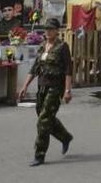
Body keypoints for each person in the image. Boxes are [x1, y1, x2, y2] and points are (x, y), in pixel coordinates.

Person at [19, 18, 73, 167]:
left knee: (43, 121)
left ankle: (39, 155)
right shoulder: (42, 47)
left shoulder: (62, 47)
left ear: (57, 31)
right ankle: (65, 137)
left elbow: (68, 70)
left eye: (51, 29)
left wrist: (67, 91)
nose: (48, 32)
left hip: (55, 88)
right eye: (46, 29)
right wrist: (24, 86)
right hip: (42, 87)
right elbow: (34, 68)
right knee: (45, 117)